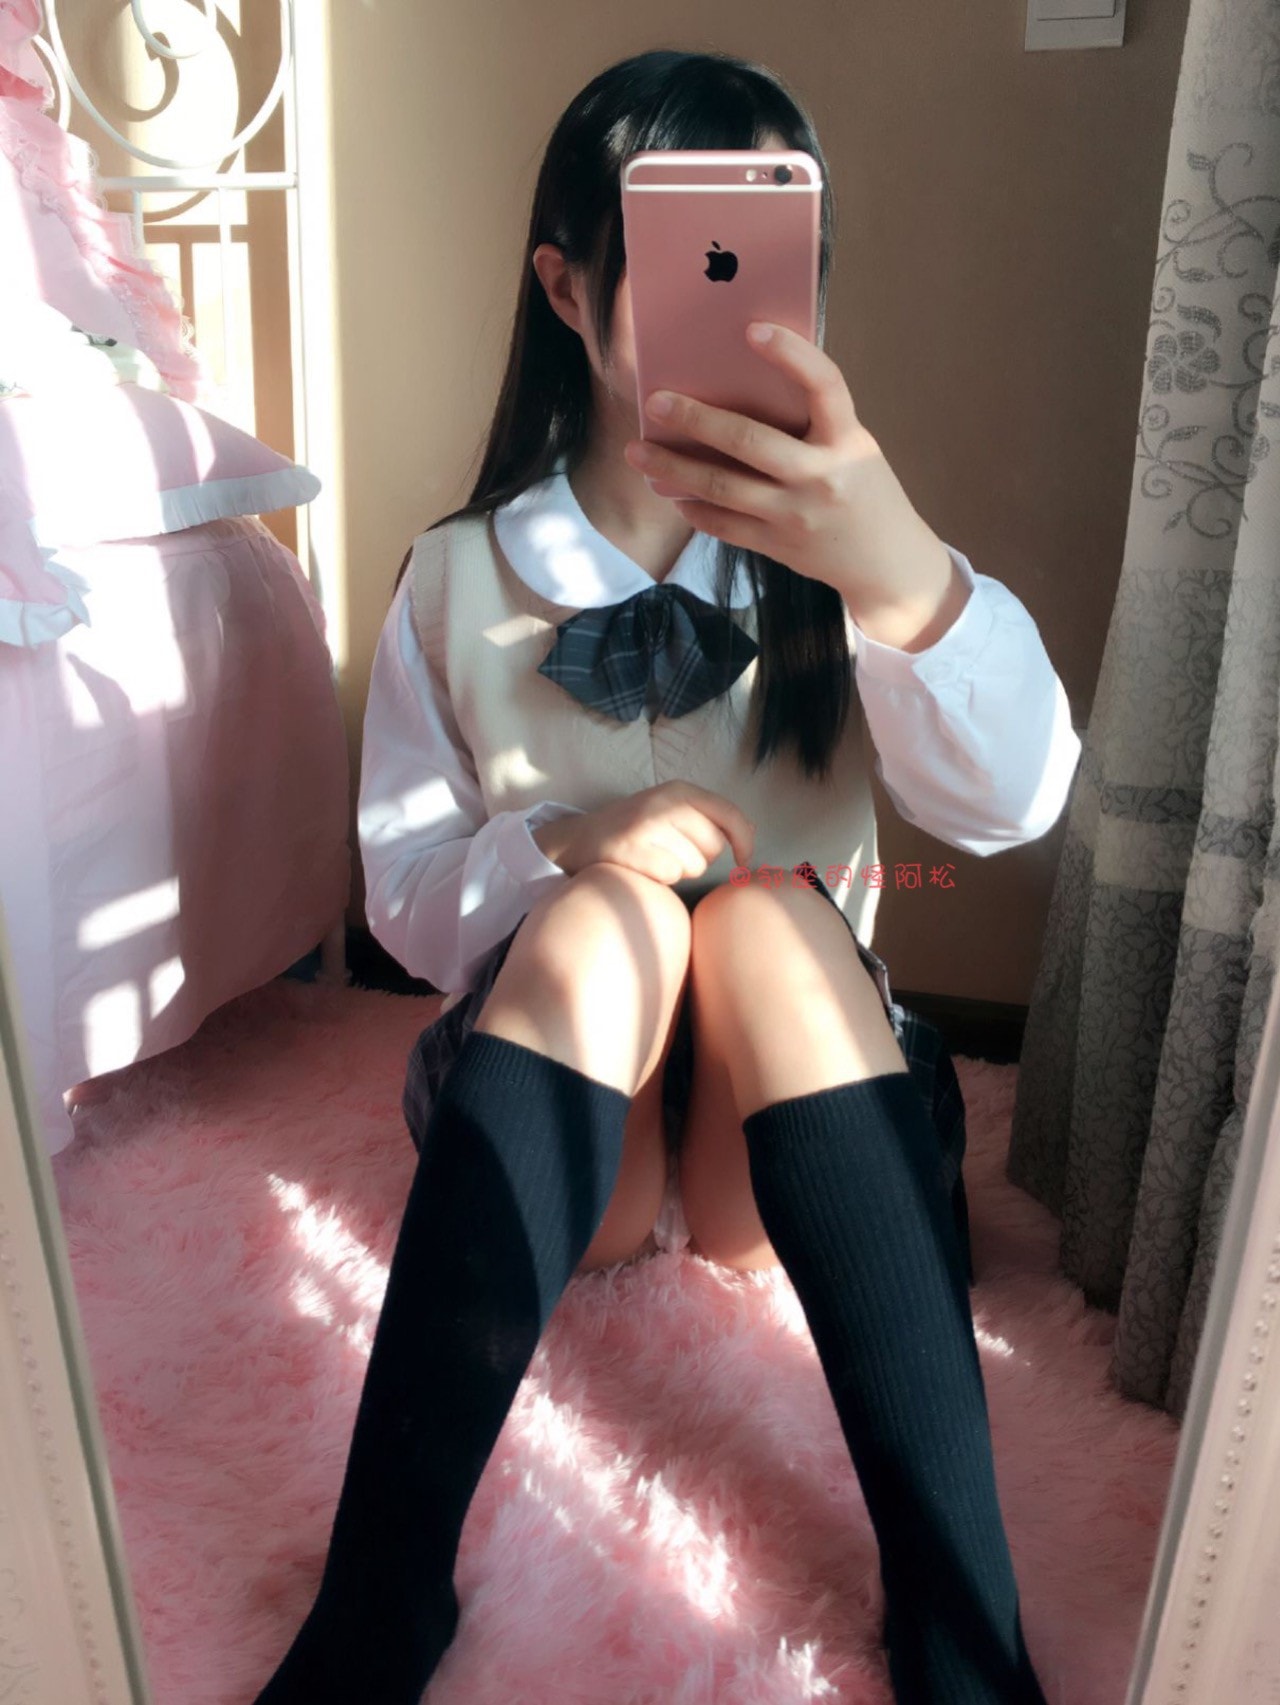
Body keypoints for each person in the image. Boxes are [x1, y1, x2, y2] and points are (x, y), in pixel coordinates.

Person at [253, 46, 1079, 1705]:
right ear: (567, 286)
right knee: (607, 918)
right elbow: (402, 893)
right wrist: (561, 846)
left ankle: (962, 1625)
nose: (743, 296)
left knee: (768, 921)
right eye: (691, 251)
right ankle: (380, 1596)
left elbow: (1016, 802)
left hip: (795, 1125)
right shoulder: (454, 577)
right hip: (580, 1126)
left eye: (776, 253)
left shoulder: (848, 556)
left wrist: (903, 579)